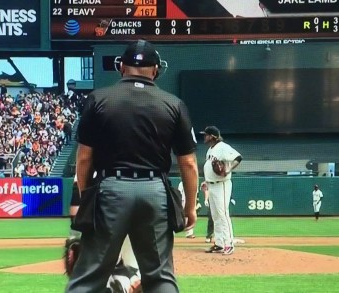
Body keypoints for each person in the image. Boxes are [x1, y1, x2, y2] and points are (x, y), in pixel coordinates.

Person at [66, 39, 198, 293]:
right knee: (160, 278)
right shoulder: (173, 104)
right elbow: (189, 163)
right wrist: (189, 207)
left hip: (110, 190)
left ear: (122, 68)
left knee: (88, 277)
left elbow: (83, 158)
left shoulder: (99, 99)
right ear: (156, 70)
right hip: (155, 191)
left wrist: (87, 200)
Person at [200, 126, 242, 255]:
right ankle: (219, 243)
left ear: (213, 136)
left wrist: (229, 169)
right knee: (215, 215)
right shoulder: (211, 149)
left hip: (221, 185)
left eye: (206, 135)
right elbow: (209, 167)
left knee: (222, 214)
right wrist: (206, 181)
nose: (204, 136)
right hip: (212, 184)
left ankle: (229, 244)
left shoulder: (223, 146)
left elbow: (238, 157)